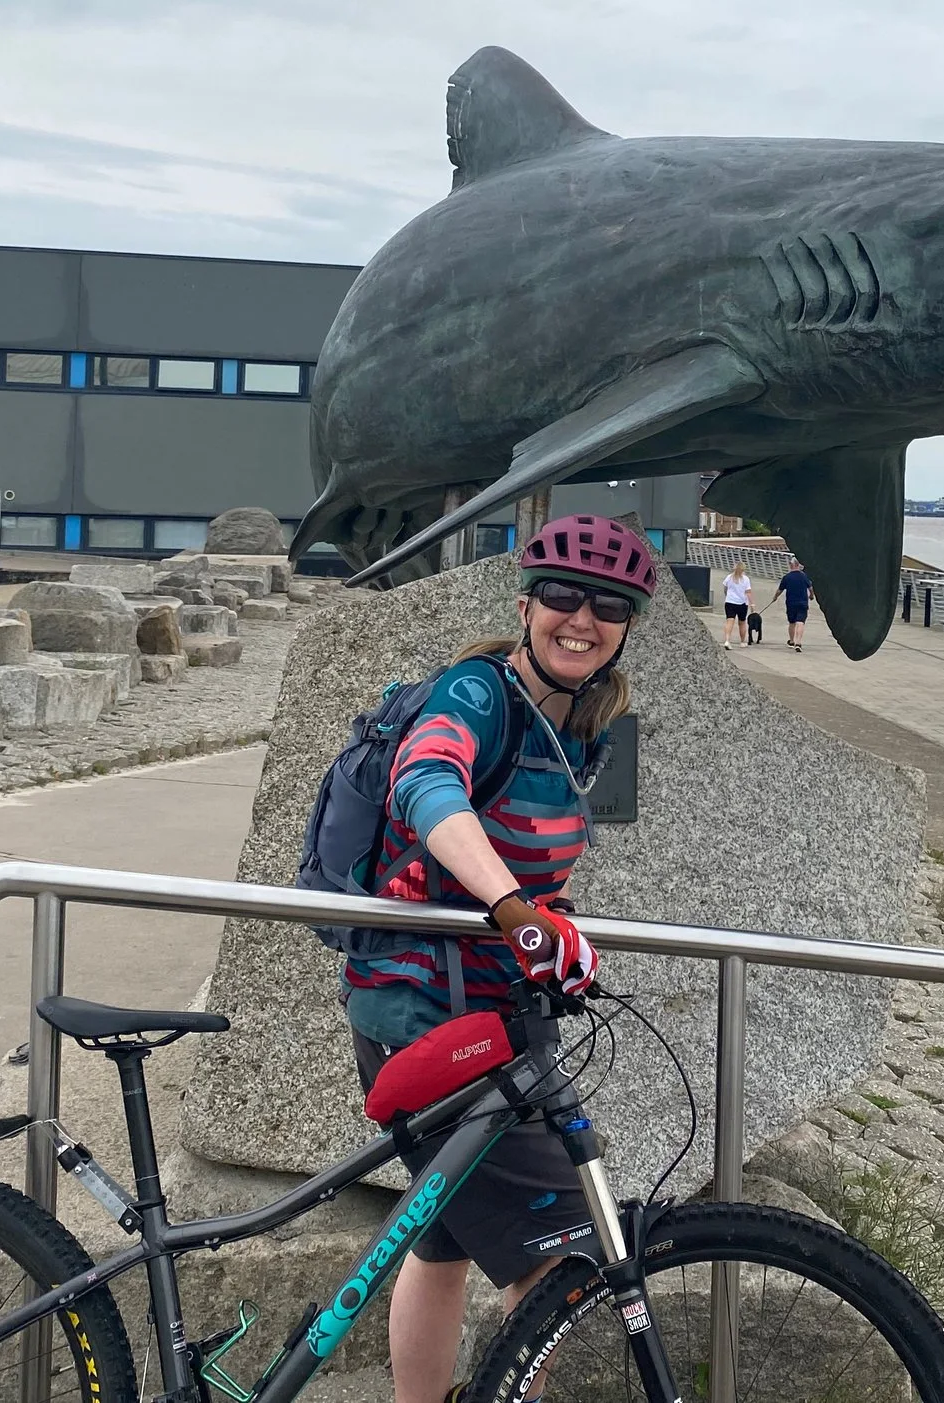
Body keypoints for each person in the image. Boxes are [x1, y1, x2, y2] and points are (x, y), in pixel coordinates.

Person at [338, 513, 651, 1403]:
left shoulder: (583, 723)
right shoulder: (480, 694)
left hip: (495, 1015)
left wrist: (544, 919)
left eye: (607, 604)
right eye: (561, 595)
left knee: (441, 1239)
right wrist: (512, 909)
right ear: (525, 604)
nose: (580, 617)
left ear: (626, 626)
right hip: (425, 1012)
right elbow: (428, 778)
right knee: (558, 1259)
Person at [777, 561, 812, 651]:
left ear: (790, 565)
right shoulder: (804, 576)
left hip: (791, 603)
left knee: (792, 622)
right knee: (800, 622)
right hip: (803, 602)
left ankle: (792, 641)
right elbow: (810, 587)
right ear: (798, 565)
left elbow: (780, 590)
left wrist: (775, 597)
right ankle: (798, 642)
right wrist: (811, 595)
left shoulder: (787, 577)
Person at [721, 564, 752, 648]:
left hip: (730, 601)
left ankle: (727, 640)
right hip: (742, 603)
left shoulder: (729, 577)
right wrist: (752, 603)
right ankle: (742, 642)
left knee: (729, 621)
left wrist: (727, 596)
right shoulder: (746, 579)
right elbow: (748, 592)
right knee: (742, 622)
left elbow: (725, 588)